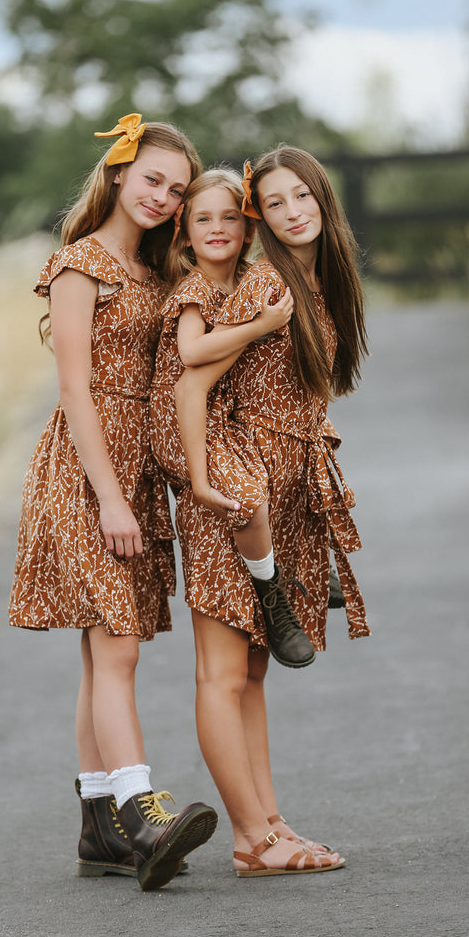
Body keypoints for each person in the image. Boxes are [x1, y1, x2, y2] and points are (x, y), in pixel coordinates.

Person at [8, 114, 218, 893]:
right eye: (153, 179)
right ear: (120, 173)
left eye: (177, 188)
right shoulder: (79, 265)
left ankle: (98, 824)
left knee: (103, 651)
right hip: (83, 469)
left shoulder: (159, 273)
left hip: (135, 474)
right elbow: (74, 389)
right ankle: (142, 809)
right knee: (120, 644)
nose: (163, 197)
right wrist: (110, 499)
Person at [173, 146, 371, 877]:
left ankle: (268, 827)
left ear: (323, 201)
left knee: (253, 674)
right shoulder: (262, 289)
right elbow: (192, 385)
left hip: (284, 493)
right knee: (223, 674)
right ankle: (252, 839)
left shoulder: (315, 289)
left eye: (303, 199)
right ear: (262, 213)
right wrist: (199, 482)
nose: (292, 213)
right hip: (230, 489)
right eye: (277, 202)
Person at [150, 168, 313, 668]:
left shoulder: (248, 281)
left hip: (225, 419)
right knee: (245, 496)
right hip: (182, 424)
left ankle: (300, 559)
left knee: (290, 463)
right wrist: (260, 325)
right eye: (203, 218)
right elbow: (194, 353)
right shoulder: (192, 289)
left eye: (229, 217)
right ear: (184, 230)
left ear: (249, 228)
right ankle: (272, 591)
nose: (217, 227)